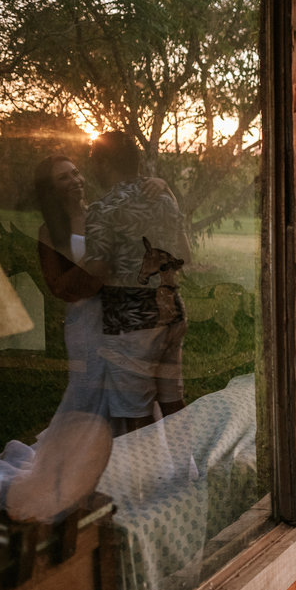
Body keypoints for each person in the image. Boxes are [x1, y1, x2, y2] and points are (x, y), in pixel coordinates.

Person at [0, 156, 112, 521]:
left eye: (76, 172)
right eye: (63, 178)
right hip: (83, 323)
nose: (75, 180)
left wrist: (91, 277)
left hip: (117, 320)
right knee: (86, 392)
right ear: (51, 190)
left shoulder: (103, 214)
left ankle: (116, 461)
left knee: (123, 387)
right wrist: (101, 275)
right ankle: (68, 470)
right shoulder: (50, 232)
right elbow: (58, 287)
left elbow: (123, 264)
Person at [80, 132, 190, 435]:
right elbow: (185, 255)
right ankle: (189, 476)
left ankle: (144, 481)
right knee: (172, 401)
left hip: (132, 322)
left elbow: (99, 269)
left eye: (93, 162)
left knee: (135, 415)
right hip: (172, 312)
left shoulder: (102, 208)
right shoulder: (165, 201)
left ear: (102, 162)